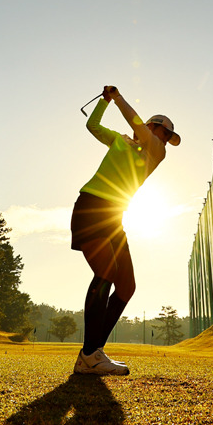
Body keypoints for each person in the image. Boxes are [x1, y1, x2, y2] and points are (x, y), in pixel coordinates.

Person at [70, 85, 179, 376]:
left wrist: (118, 98)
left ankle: (91, 352)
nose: (166, 140)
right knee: (105, 272)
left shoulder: (155, 153)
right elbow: (92, 125)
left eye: (168, 136)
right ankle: (91, 354)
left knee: (127, 286)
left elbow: (136, 126)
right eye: (163, 132)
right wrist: (104, 102)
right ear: (152, 127)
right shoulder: (119, 142)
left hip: (115, 216)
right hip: (92, 206)